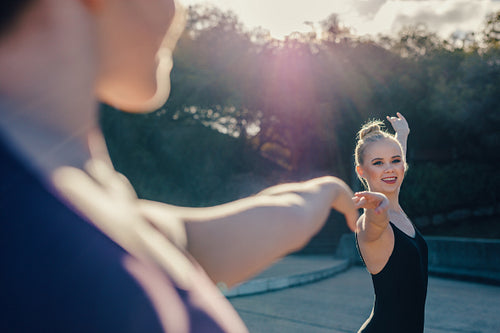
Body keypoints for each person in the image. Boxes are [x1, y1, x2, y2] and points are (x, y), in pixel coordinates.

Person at [0, 0, 359, 332]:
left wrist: (326, 192)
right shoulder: (47, 254)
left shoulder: (64, 207)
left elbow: (199, 241)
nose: (178, 10)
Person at [353, 113, 428, 333]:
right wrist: (377, 209)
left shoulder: (395, 205)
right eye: (377, 163)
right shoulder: (373, 221)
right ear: (362, 171)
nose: (389, 169)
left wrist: (402, 135)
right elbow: (375, 224)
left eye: (395, 160)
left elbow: (394, 169)